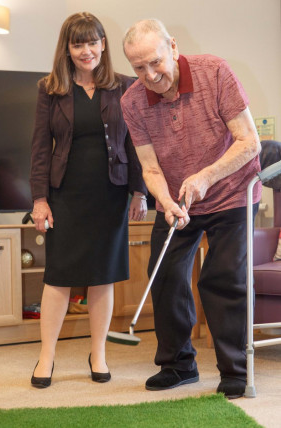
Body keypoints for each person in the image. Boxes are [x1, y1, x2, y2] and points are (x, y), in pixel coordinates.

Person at [120, 19, 261, 399]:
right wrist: (165, 202)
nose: (150, 75)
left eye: (155, 62)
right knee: (163, 272)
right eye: (138, 67)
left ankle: (234, 369)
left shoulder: (214, 72)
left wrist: (205, 177)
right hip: (179, 199)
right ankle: (178, 365)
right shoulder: (132, 101)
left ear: (173, 47)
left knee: (222, 277)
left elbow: (250, 143)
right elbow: (149, 167)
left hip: (231, 191)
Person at [30, 12, 147, 388]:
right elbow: (40, 150)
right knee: (58, 277)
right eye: (78, 43)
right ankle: (46, 356)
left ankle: (98, 352)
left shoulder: (125, 86)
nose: (87, 50)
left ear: (103, 44)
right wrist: (39, 199)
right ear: (67, 48)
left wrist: (139, 191)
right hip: (65, 194)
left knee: (102, 277)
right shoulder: (50, 88)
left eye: (92, 41)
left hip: (110, 193)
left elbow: (135, 143)